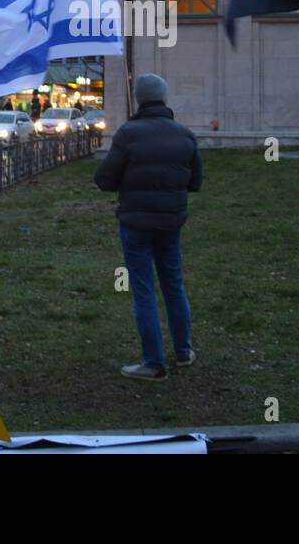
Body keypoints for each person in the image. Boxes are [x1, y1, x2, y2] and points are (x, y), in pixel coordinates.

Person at [94, 73, 202, 380]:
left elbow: (104, 179)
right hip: (171, 222)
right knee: (173, 284)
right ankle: (183, 351)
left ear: (140, 98)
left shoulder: (129, 134)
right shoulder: (184, 134)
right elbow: (195, 181)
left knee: (143, 290)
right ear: (164, 98)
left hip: (136, 223)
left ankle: (153, 363)